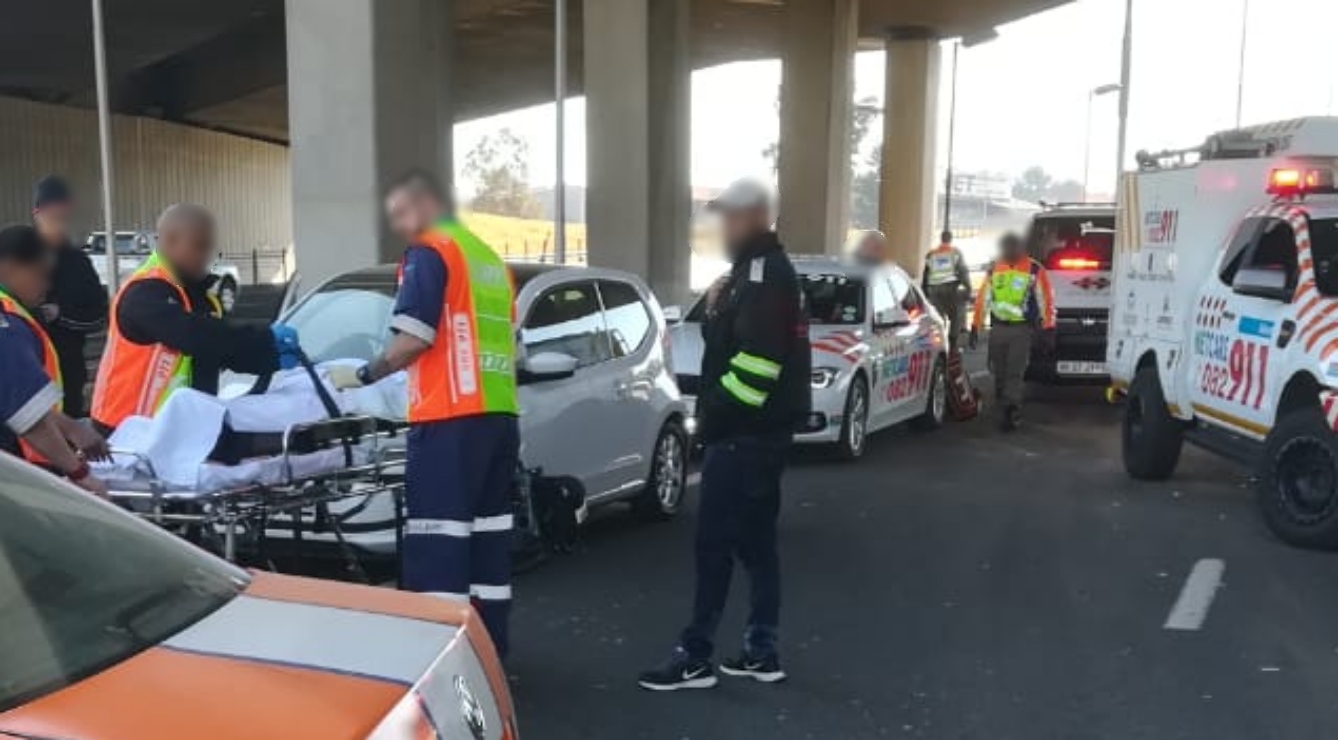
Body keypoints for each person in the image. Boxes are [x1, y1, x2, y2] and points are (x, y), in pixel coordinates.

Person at [326, 171, 519, 659]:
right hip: (498, 416)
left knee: (440, 543)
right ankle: (490, 653)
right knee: (487, 545)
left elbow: (414, 338)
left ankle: (441, 660)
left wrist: (367, 374)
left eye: (401, 212)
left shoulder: (432, 252)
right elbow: (503, 339)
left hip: (450, 418)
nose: (399, 224)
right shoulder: (487, 258)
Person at [638, 178, 810, 691]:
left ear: (755, 217)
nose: (722, 226)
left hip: (743, 438)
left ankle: (694, 656)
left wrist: (709, 420)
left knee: (714, 547)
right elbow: (740, 345)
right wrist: (715, 312)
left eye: (729, 217)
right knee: (757, 546)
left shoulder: (762, 278)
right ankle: (761, 650)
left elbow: (756, 369)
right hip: (758, 437)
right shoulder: (751, 275)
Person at [91, 204, 300, 433]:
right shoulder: (143, 294)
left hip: (179, 434)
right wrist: (263, 337)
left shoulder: (200, 298)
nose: (207, 256)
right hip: (124, 435)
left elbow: (218, 353)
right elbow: (194, 334)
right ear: (170, 240)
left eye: (210, 248)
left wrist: (268, 358)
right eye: (199, 246)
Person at [0, 225, 110, 496]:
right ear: (11, 266)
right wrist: (79, 474)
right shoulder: (6, 323)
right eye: (41, 275)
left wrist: (71, 428)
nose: (47, 287)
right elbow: (27, 414)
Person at [31, 176, 108, 417]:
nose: (57, 223)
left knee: (68, 431)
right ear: (36, 213)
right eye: (51, 216)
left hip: (67, 371)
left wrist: (60, 314)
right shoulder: (17, 256)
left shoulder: (78, 263)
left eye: (62, 216)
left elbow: (98, 313)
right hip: (27, 372)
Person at [969, 232, 1055, 431]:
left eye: (1011, 248)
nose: (1008, 252)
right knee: (998, 370)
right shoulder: (994, 269)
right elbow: (984, 299)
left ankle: (1011, 409)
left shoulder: (1034, 270)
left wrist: (1048, 328)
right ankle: (1004, 401)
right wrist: (975, 326)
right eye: (1005, 248)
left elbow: (1046, 301)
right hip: (998, 329)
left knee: (1014, 372)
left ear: (1020, 249)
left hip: (1021, 330)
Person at [922, 230, 972, 351]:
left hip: (934, 290)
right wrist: (967, 287)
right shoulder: (955, 252)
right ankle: (952, 343)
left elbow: (926, 273)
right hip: (950, 290)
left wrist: (924, 290)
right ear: (950, 239)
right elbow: (962, 271)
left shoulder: (932, 253)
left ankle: (939, 345)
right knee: (955, 316)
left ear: (941, 239)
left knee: (938, 317)